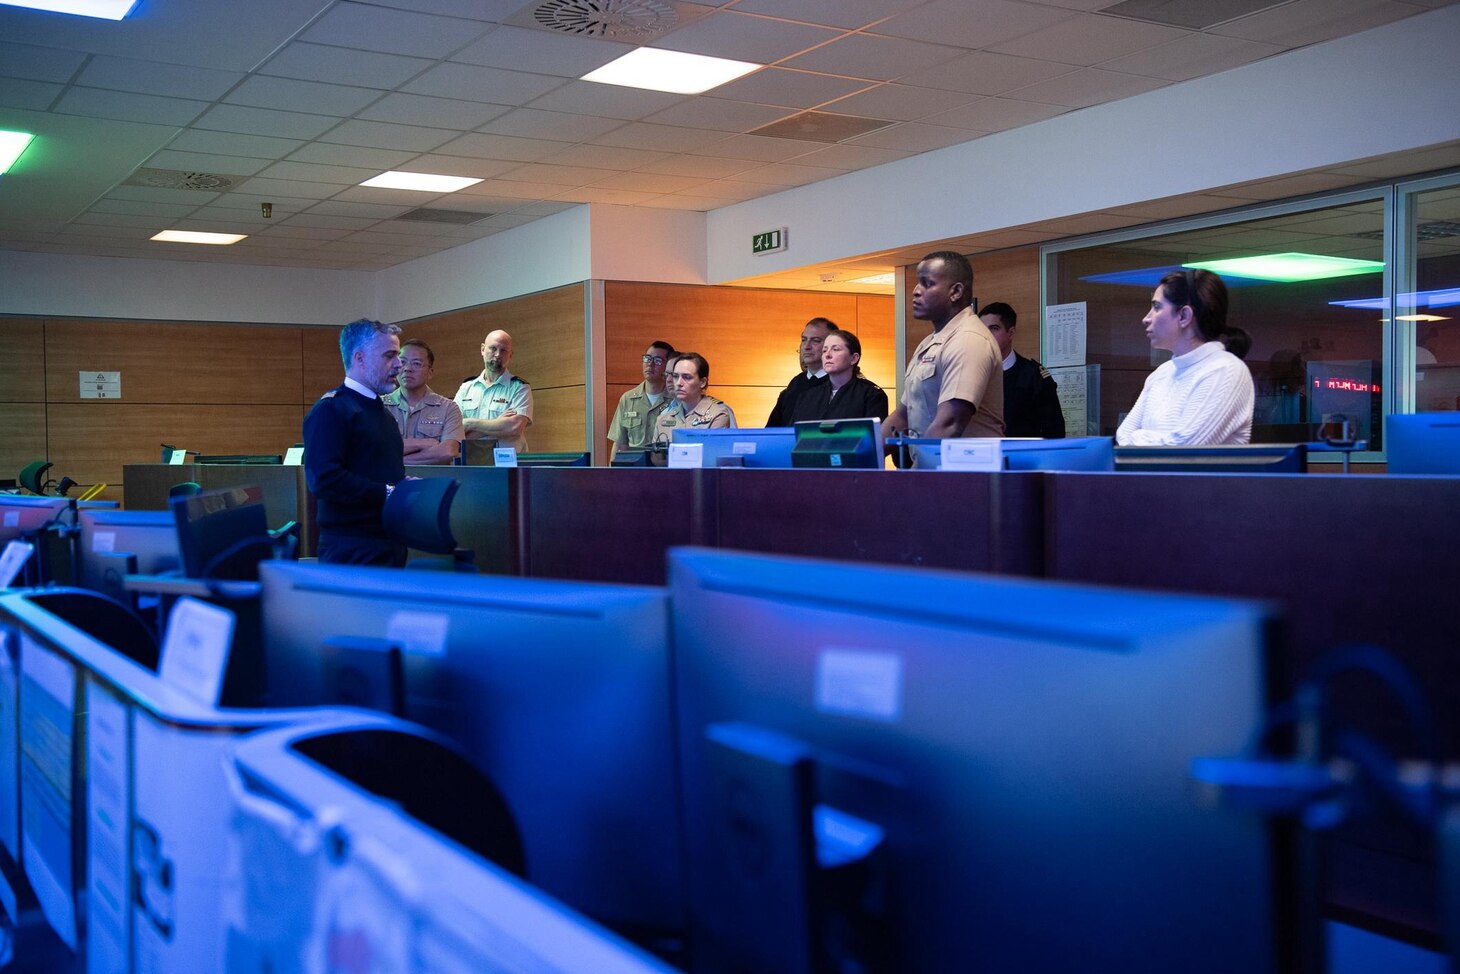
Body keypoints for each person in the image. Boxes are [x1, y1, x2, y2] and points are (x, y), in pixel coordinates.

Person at [882, 251, 1004, 467]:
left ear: (956, 291)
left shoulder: (969, 339)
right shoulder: (930, 343)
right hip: (938, 473)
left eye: (926, 284)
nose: (916, 291)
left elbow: (950, 424)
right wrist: (856, 459)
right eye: (917, 284)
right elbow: (902, 417)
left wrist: (917, 479)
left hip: (967, 477)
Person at [303, 318, 408, 566]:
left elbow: (376, 471)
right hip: (352, 551)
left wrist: (402, 486)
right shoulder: (332, 409)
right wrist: (388, 492)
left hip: (388, 544)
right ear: (359, 358)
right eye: (389, 356)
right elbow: (324, 480)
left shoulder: (381, 412)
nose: (399, 364)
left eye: (398, 356)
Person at [1116, 269, 1254, 446]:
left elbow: (1186, 448)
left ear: (1184, 316)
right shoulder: (1161, 374)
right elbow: (1123, 436)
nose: (1146, 318)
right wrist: (1158, 440)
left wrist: (1138, 438)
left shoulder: (1226, 370)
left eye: (1157, 307)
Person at [979, 302, 1064, 439]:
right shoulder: (971, 373)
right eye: (982, 330)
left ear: (1010, 333)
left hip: (1023, 456)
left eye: (994, 328)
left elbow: (1055, 431)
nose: (986, 335)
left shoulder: (1033, 376)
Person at [382, 338, 465, 465]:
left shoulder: (448, 408)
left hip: (431, 482)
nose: (407, 369)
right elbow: (372, 449)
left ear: (430, 373)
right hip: (387, 483)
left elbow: (448, 451)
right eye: (402, 362)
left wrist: (397, 462)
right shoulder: (379, 406)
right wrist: (424, 443)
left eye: (416, 363)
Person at [454, 329, 532, 460]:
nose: (497, 354)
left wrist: (468, 424)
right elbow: (453, 431)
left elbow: (513, 428)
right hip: (471, 464)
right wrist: (497, 423)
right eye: (493, 348)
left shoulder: (520, 388)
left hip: (506, 466)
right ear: (483, 349)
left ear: (510, 355)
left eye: (503, 350)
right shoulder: (466, 388)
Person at [788, 330, 888, 423]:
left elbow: (873, 437)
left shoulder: (872, 395)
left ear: (853, 358)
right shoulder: (807, 396)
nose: (827, 355)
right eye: (824, 350)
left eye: (835, 349)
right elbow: (793, 434)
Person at [607, 340, 675, 461]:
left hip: (665, 470)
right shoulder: (628, 399)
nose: (650, 364)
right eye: (647, 358)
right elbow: (619, 444)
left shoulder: (676, 399)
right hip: (635, 470)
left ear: (668, 366)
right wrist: (612, 475)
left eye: (658, 360)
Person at [766, 317, 837, 426]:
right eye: (804, 340)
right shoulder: (794, 384)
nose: (806, 346)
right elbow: (772, 430)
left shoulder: (840, 382)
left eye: (816, 341)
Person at [655, 352, 736, 440]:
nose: (678, 383)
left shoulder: (717, 414)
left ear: (702, 382)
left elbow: (712, 451)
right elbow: (655, 453)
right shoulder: (663, 419)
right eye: (675, 376)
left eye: (687, 377)